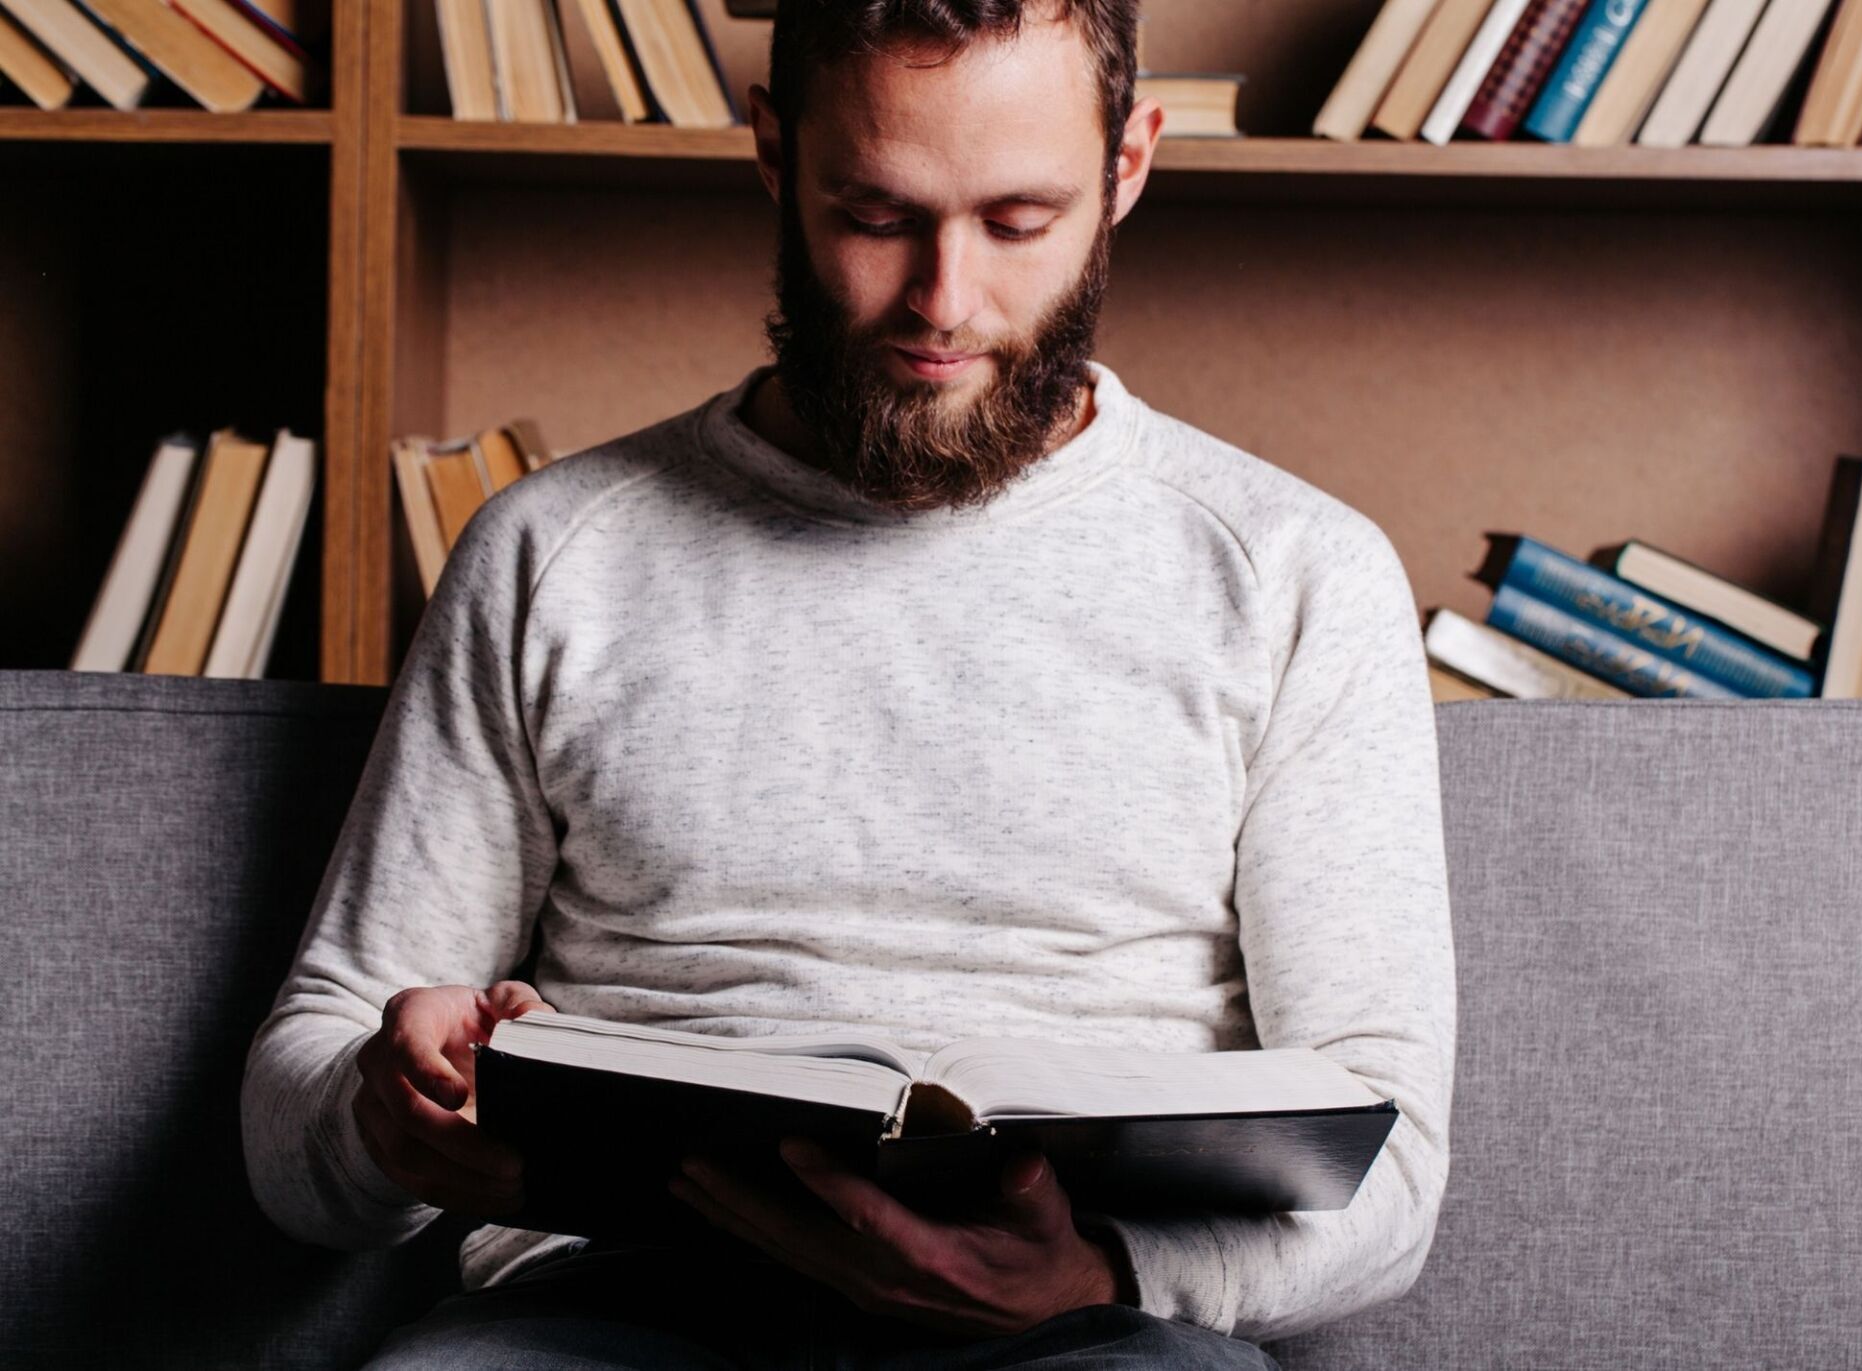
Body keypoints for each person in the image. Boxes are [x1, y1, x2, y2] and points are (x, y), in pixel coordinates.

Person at [239, 1, 1457, 1366]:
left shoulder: (1296, 574)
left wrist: (1096, 1276)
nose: (943, 301)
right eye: (876, 215)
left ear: (1129, 165)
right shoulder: (552, 552)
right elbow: (303, 1115)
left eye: (1017, 221)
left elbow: (1389, 1169)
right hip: (608, 1308)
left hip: (1085, 1326)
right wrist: (381, 1115)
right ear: (774, 154)